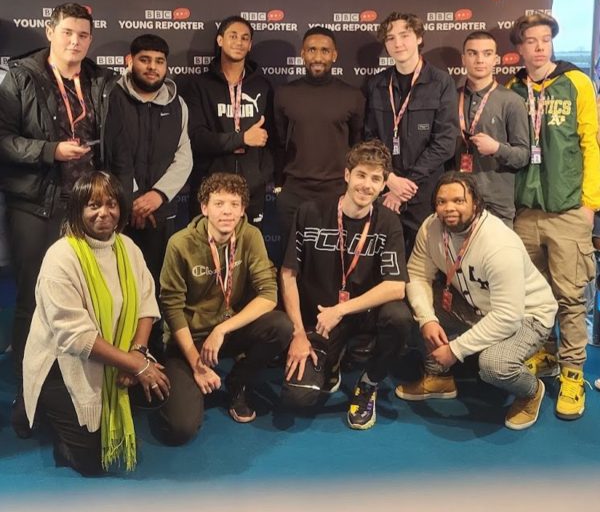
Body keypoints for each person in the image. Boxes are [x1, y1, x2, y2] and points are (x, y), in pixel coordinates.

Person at [0, 2, 117, 434]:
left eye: (83, 35)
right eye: (67, 32)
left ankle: (84, 387)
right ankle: (27, 393)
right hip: (37, 203)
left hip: (87, 207)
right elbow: (3, 140)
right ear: (50, 32)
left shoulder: (100, 80)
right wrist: (51, 151)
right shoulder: (21, 77)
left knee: (90, 298)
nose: (75, 42)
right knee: (34, 300)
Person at [22, 171, 170, 475]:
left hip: (118, 355)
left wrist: (139, 354)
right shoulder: (60, 257)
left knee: (161, 396)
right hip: (62, 364)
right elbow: (76, 339)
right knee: (93, 463)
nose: (104, 213)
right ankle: (36, 411)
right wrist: (134, 365)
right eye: (93, 206)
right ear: (78, 210)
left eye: (111, 204)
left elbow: (146, 304)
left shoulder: (128, 248)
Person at [395, 172, 557, 431]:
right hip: (476, 306)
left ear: (476, 203)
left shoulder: (499, 244)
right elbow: (416, 274)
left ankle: (530, 391)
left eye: (459, 201)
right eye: (442, 201)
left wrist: (455, 350)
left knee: (495, 366)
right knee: (409, 307)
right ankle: (439, 377)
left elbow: (507, 316)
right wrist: (427, 318)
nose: (449, 208)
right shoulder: (431, 227)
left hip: (527, 315)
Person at [507, 13, 600, 420]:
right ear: (521, 48)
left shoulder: (577, 81)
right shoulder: (511, 88)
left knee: (571, 298)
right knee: (534, 296)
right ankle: (543, 354)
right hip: (525, 211)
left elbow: (591, 142)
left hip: (567, 212)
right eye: (532, 40)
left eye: (546, 39)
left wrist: (589, 204)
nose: (541, 47)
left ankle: (573, 373)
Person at [280, 140, 411, 430]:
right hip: (321, 320)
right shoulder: (310, 212)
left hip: (361, 316)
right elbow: (288, 275)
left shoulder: (388, 222)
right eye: (361, 175)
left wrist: (342, 310)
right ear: (347, 175)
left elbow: (396, 287)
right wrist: (298, 333)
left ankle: (369, 383)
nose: (367, 185)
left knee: (399, 317)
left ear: (382, 185)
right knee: (298, 398)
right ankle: (332, 362)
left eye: (376, 179)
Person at [159, 172, 292, 444]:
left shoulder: (250, 236)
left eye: (234, 204)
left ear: (244, 210)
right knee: (181, 429)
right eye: (219, 204)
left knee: (280, 326)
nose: (227, 212)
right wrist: (196, 364)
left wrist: (222, 329)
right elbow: (171, 309)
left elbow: (269, 294)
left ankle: (238, 381)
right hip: (189, 338)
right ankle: (192, 377)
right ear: (204, 208)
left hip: (227, 332)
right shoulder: (180, 244)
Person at [105, 33, 192, 354]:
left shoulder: (177, 104)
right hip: (116, 214)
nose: (152, 67)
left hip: (160, 213)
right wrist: (132, 201)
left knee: (154, 286)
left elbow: (185, 157)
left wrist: (157, 195)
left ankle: (150, 351)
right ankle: (114, 352)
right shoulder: (111, 98)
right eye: (145, 60)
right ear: (130, 61)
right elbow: (113, 155)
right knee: (116, 288)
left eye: (159, 61)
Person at [365, 12, 458, 255]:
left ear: (418, 37)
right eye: (390, 38)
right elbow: (369, 139)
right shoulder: (376, 84)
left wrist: (407, 184)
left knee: (424, 265)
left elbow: (445, 142)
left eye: (404, 35)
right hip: (384, 190)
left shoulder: (441, 82)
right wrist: (390, 179)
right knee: (383, 262)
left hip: (424, 192)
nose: (397, 43)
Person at [274, 26, 364, 244]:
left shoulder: (352, 95)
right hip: (294, 193)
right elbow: (278, 143)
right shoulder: (284, 94)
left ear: (334, 55)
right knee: (290, 261)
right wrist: (279, 185)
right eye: (311, 50)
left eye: (324, 51)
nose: (318, 57)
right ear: (302, 54)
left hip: (337, 192)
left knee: (334, 261)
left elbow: (357, 143)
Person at [184, 15, 274, 226]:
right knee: (206, 254)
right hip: (209, 187)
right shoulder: (198, 85)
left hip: (251, 189)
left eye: (245, 38)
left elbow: (273, 140)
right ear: (220, 40)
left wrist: (260, 176)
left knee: (248, 253)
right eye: (233, 36)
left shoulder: (262, 86)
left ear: (250, 45)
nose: (239, 42)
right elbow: (197, 138)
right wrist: (242, 138)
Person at [453, 31, 529, 226]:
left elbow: (523, 156)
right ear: (463, 59)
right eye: (472, 53)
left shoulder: (511, 101)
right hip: (457, 202)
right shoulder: (450, 99)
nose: (479, 60)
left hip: (497, 207)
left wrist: (497, 148)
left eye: (487, 54)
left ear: (496, 59)